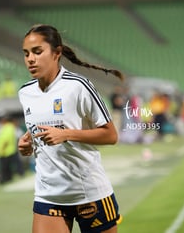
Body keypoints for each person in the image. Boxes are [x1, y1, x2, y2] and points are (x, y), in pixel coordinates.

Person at [17, 24, 123, 233]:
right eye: (26, 53)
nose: (30, 58)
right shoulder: (25, 92)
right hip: (49, 195)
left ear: (56, 53)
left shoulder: (78, 86)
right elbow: (37, 129)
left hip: (90, 193)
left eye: (37, 52)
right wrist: (27, 142)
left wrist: (66, 134)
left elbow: (110, 135)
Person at [0, 115, 17, 184]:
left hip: (5, 151)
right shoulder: (6, 127)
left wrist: (2, 148)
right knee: (6, 166)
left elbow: (6, 139)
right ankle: (7, 178)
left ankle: (5, 179)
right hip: (4, 150)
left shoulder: (8, 127)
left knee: (4, 167)